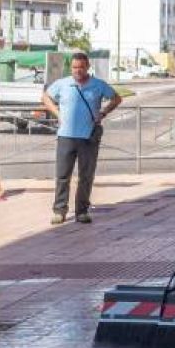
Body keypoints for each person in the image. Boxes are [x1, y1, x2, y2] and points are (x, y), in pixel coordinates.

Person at [42, 52, 122, 224]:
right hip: (66, 136)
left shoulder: (98, 85)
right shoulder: (62, 84)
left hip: (88, 137)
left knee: (86, 176)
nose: (77, 71)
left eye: (81, 67)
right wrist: (57, 114)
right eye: (74, 67)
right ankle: (59, 210)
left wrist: (104, 112)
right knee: (63, 176)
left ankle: (82, 211)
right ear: (71, 67)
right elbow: (46, 97)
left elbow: (116, 98)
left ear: (88, 67)